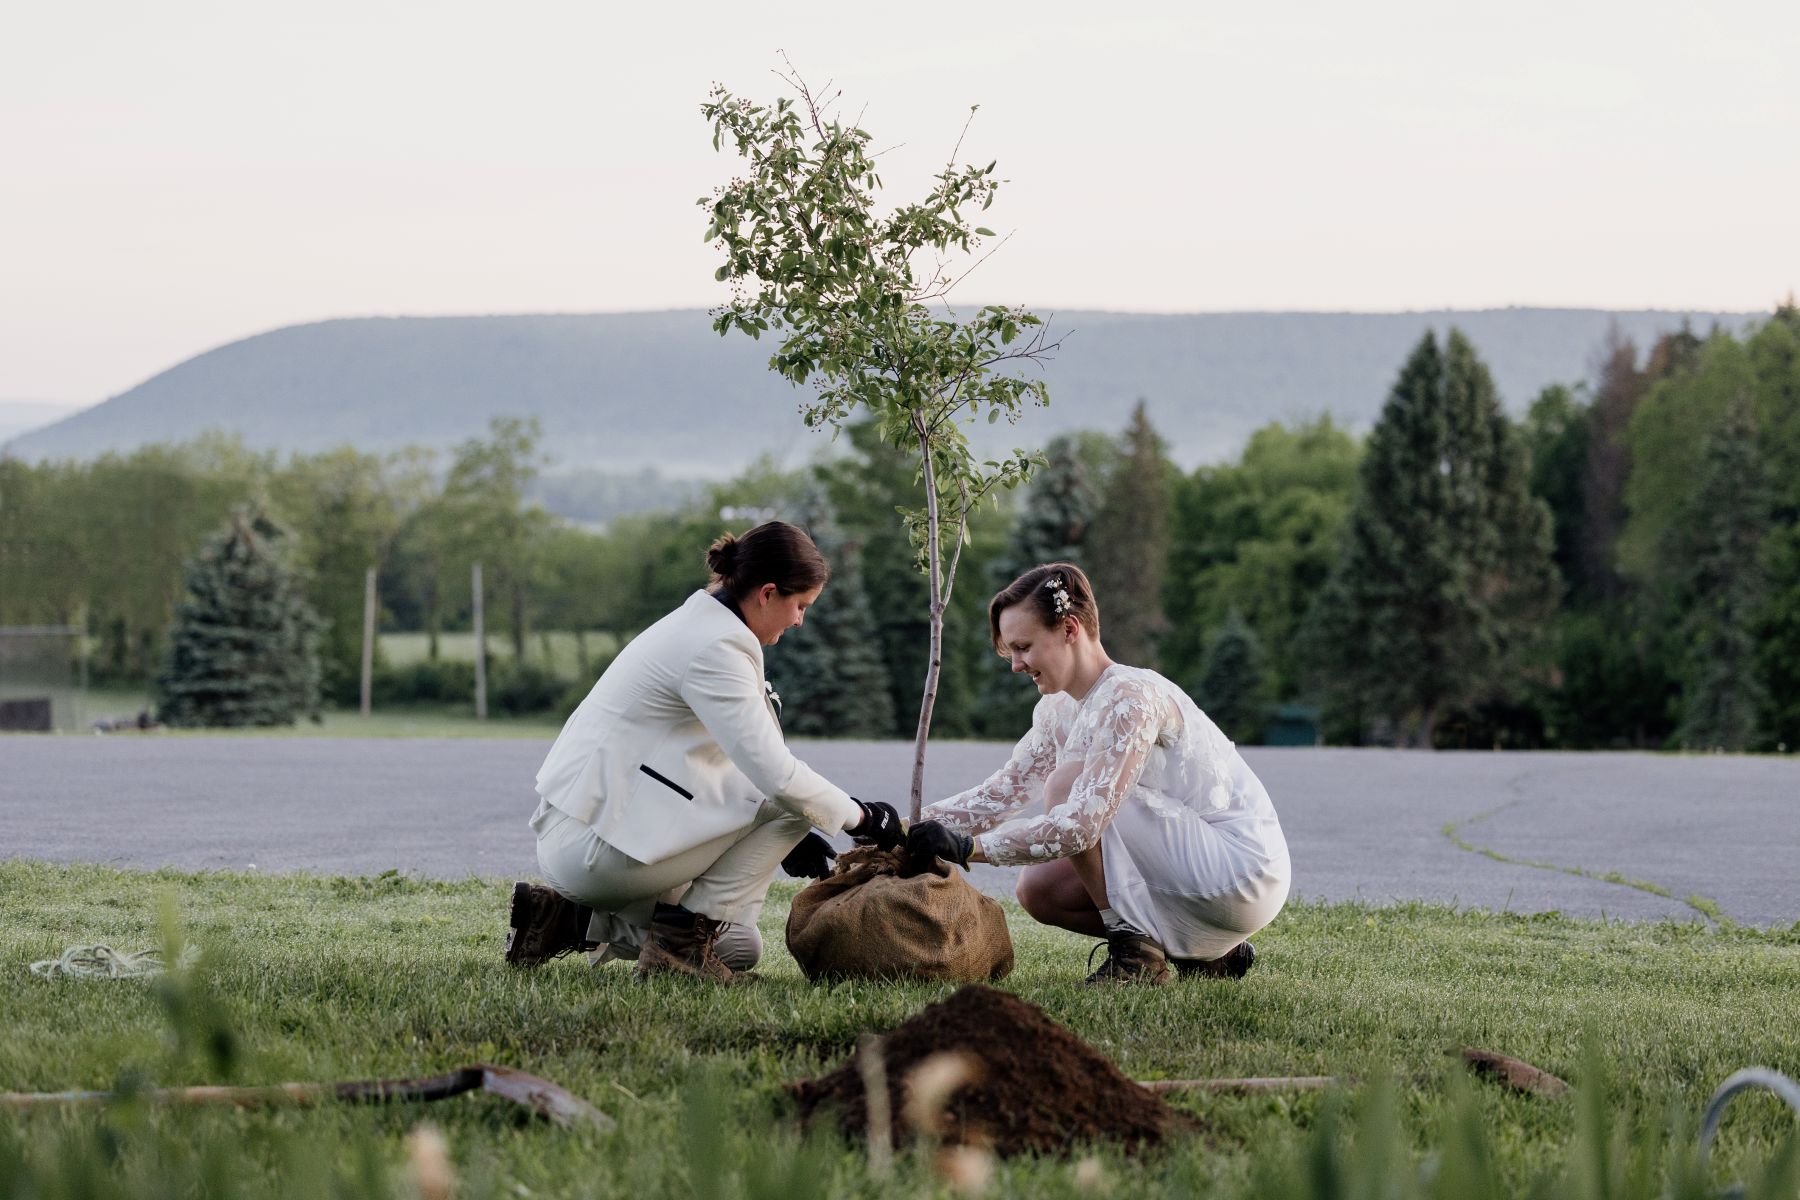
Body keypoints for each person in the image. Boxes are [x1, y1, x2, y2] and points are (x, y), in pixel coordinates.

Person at [505, 521, 905, 982]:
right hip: (598, 847)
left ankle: (560, 918)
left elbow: (724, 761)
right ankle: (677, 951)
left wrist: (775, 839)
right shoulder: (717, 646)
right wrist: (867, 819)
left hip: (586, 833)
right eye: (800, 606)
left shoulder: (700, 623)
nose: (800, 620)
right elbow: (777, 776)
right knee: (800, 806)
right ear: (768, 593)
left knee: (738, 945)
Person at [906, 562, 1291, 986]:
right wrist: (903, 826)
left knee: (1067, 786)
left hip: (1242, 873)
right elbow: (1003, 793)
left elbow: (1077, 829)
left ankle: (1137, 955)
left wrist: (965, 848)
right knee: (1038, 891)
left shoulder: (1130, 695)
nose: (1016, 664)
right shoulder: (1057, 709)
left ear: (1070, 629)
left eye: (1024, 647)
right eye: (1010, 652)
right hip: (1189, 866)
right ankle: (1206, 956)